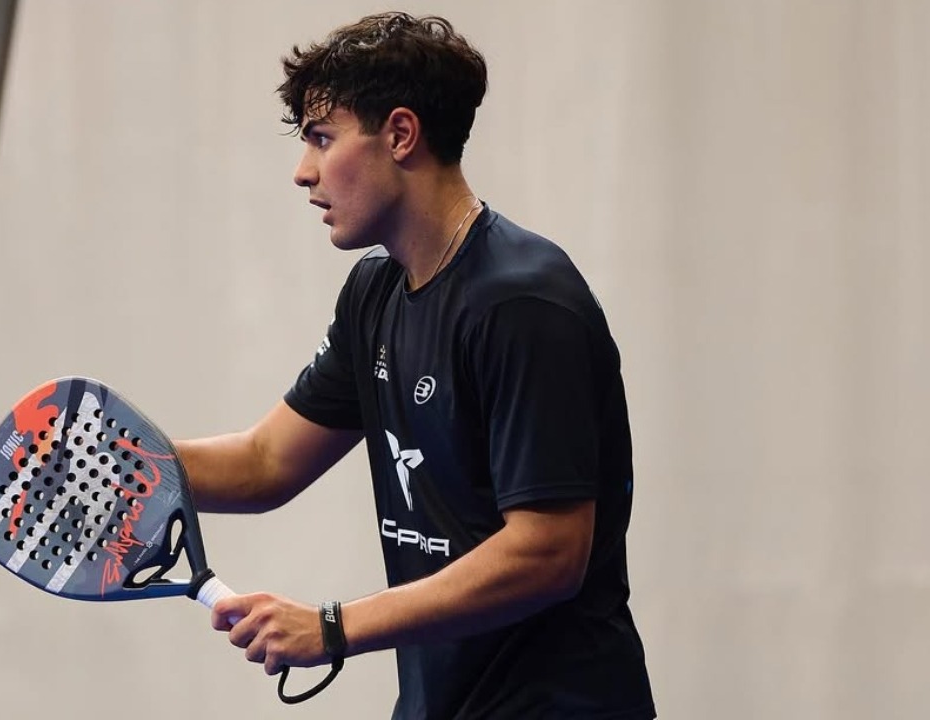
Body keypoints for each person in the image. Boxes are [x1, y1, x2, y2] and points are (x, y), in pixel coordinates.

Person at [173, 12, 656, 720]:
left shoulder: (521, 302)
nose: (303, 171)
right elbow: (266, 461)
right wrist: (109, 459)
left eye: (322, 138)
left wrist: (332, 627)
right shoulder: (375, 293)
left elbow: (549, 552)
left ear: (400, 134)